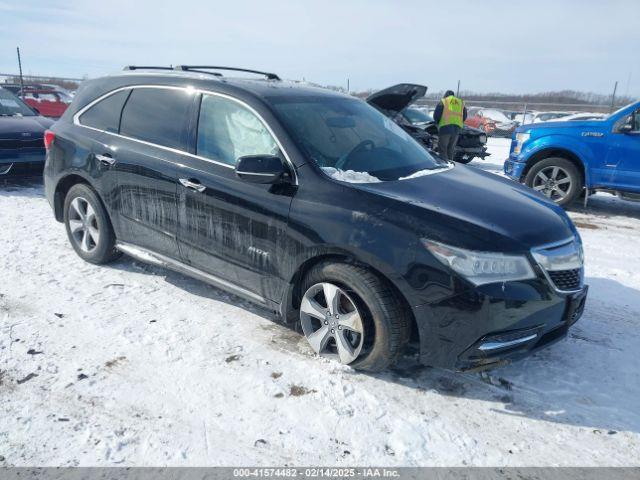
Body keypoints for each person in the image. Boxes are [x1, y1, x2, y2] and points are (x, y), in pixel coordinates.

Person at [433, 90, 467, 161]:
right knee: (451, 149)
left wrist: (437, 123)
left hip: (445, 127)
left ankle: (444, 165)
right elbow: (464, 116)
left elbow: (436, 115)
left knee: (442, 148)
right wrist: (458, 122)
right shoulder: (460, 102)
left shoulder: (444, 101)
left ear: (446, 95)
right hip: (457, 129)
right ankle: (450, 165)